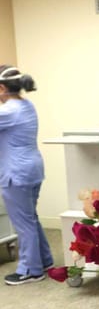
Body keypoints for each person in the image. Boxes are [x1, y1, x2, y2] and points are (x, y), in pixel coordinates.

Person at [0, 65, 54, 285]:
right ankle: (45, 260)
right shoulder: (26, 105)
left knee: (24, 223)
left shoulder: (8, 111)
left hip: (16, 173)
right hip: (32, 169)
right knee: (30, 218)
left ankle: (30, 270)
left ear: (2, 88)